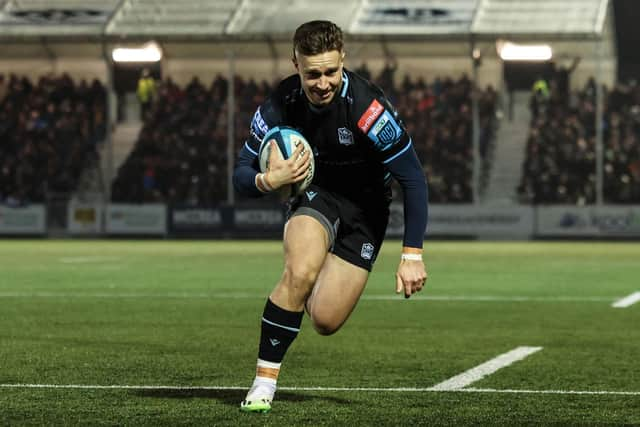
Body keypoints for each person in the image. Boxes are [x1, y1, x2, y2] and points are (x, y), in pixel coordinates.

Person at [232, 20, 428, 413]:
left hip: (368, 210)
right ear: (295, 65)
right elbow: (240, 176)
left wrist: (411, 255)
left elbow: (414, 178)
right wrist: (269, 180)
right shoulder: (280, 104)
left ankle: (311, 282)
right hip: (317, 195)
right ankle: (263, 383)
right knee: (299, 272)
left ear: (343, 61)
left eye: (330, 72)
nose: (322, 83)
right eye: (312, 74)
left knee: (324, 319)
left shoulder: (368, 109)